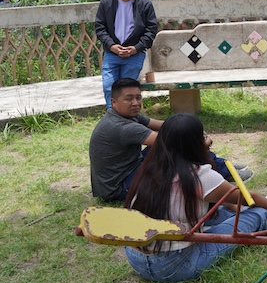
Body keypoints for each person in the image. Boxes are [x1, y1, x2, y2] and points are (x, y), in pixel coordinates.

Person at [123, 113, 267, 283]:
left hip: (135, 256)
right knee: (255, 216)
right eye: (202, 136)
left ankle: (266, 209)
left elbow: (221, 197)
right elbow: (247, 197)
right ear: (194, 143)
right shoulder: (198, 175)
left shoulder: (148, 167)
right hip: (175, 265)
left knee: (224, 209)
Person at [89, 78, 252, 202]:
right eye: (129, 99)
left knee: (175, 140)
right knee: (173, 150)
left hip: (122, 175)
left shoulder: (127, 116)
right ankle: (224, 170)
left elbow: (165, 125)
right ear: (113, 102)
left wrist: (191, 128)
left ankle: (221, 166)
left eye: (138, 98)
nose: (135, 103)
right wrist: (201, 142)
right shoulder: (123, 127)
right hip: (119, 187)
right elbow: (173, 143)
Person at [95, 0, 158, 108]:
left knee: (127, 91)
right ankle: (114, 119)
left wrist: (136, 48)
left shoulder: (145, 5)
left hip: (134, 55)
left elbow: (151, 30)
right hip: (112, 54)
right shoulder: (106, 3)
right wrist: (112, 46)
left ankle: (126, 122)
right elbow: (100, 28)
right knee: (108, 86)